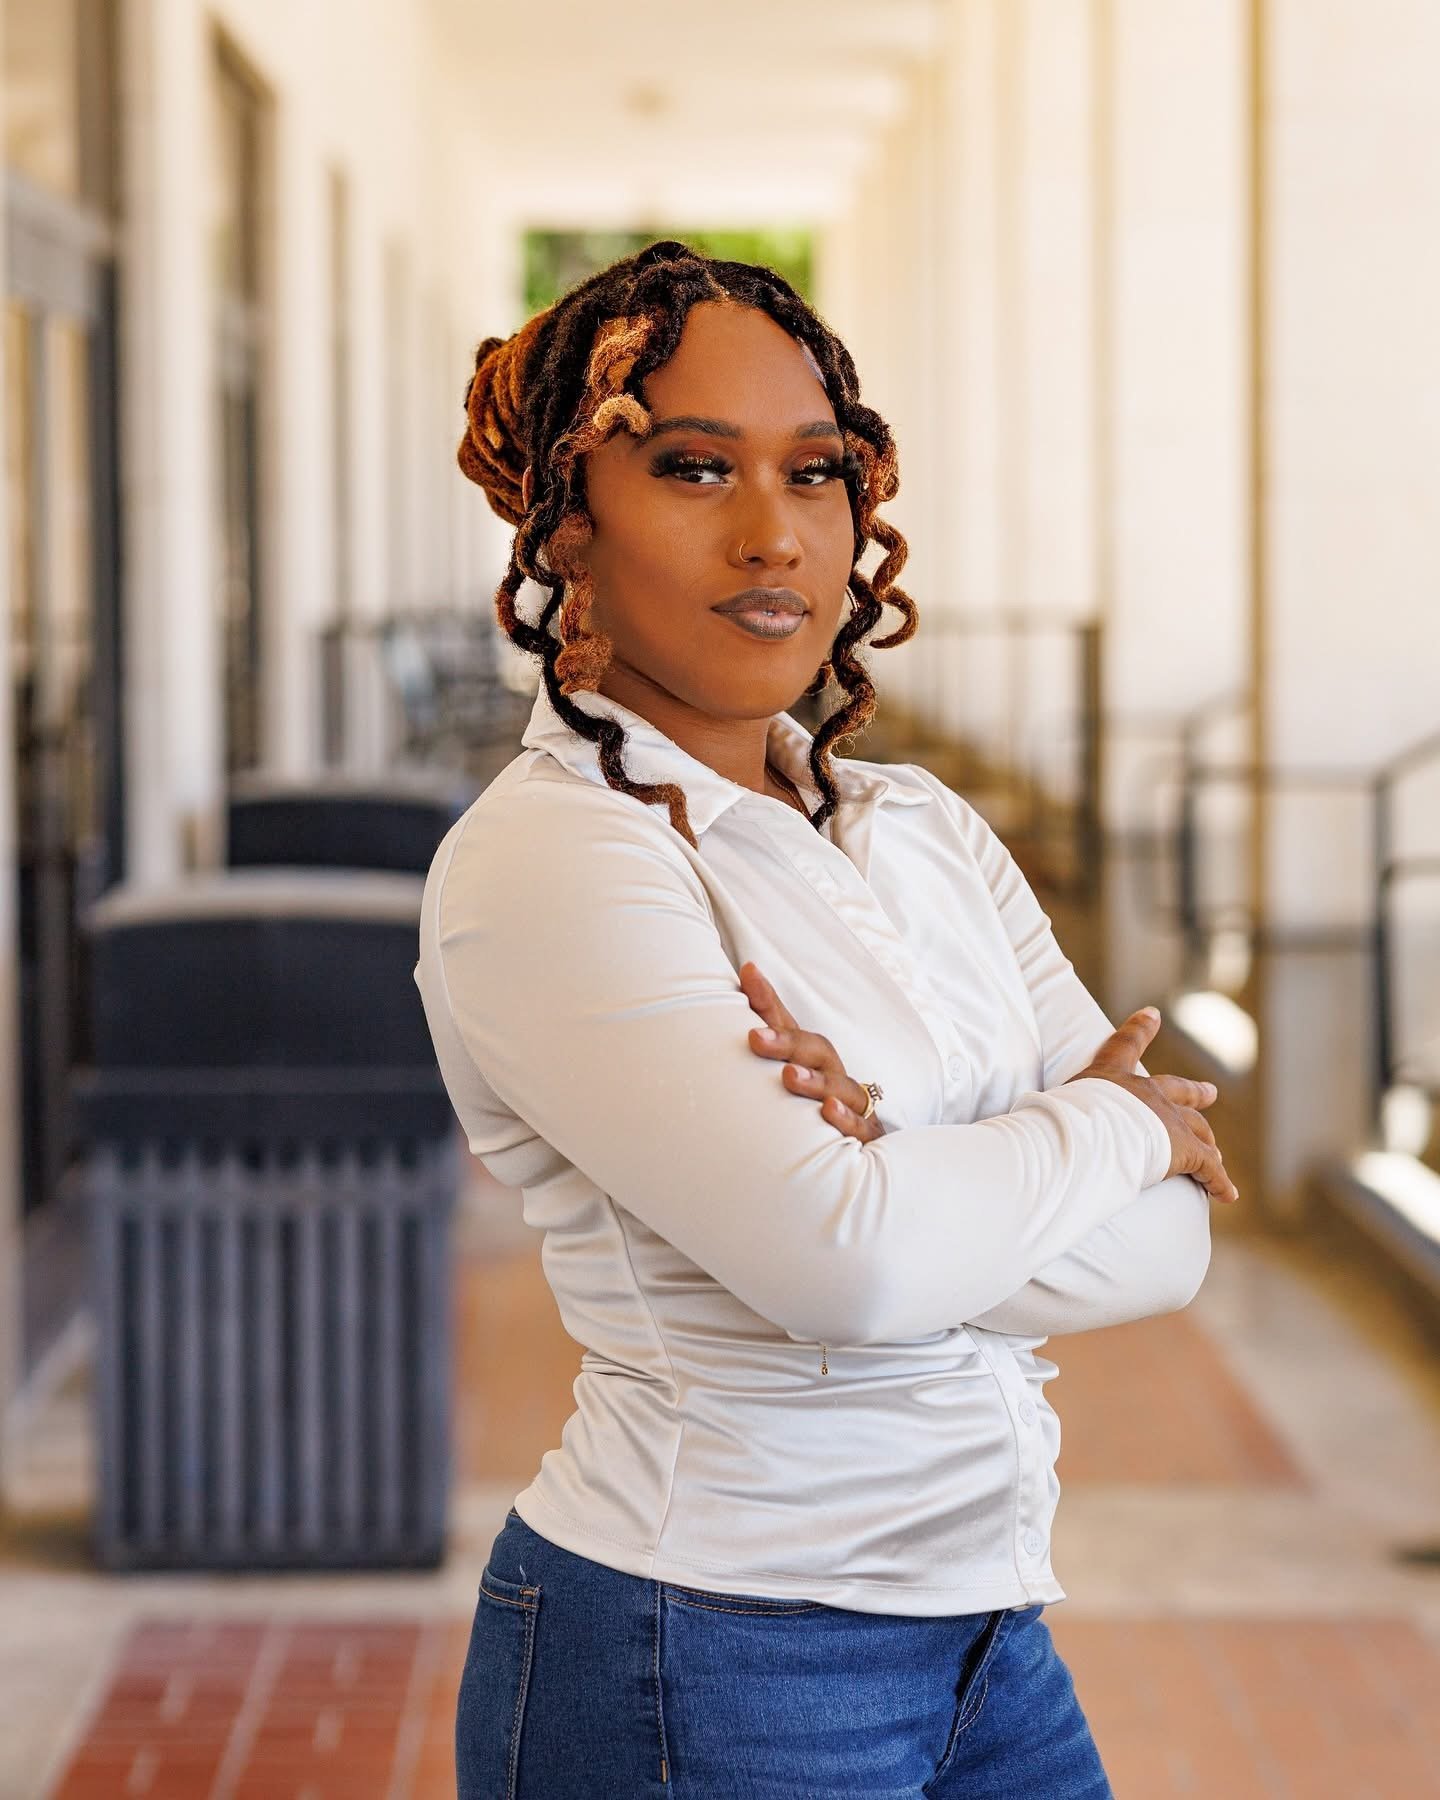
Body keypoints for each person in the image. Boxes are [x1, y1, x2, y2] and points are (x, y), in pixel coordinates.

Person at [414, 240, 1237, 1799]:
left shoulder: (919, 825)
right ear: (569, 528)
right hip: (698, 1651)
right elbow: (855, 1268)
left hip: (991, 1638)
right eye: (692, 467)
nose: (771, 532)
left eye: (815, 471)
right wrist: (1112, 1124)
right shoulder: (554, 856)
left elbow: (1170, 1248)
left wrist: (905, 1159)